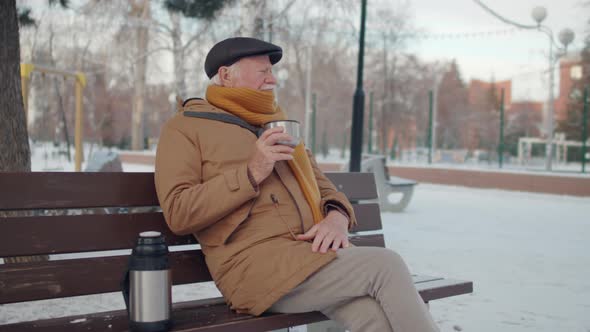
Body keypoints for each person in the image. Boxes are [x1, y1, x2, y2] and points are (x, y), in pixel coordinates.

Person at [155, 37, 439, 332]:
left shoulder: (276, 124)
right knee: (386, 266)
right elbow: (178, 211)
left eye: (272, 72)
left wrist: (337, 218)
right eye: (263, 72)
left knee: (372, 317)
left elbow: (323, 185)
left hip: (309, 256)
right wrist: (252, 171)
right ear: (226, 75)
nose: (272, 79)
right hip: (254, 268)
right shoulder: (185, 127)